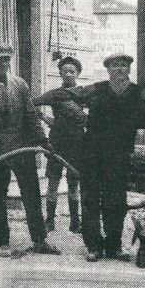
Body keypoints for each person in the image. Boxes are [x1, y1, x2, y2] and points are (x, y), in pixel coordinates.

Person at [63, 53, 145, 262]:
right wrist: (79, 116)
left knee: (115, 200)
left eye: (123, 66)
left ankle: (114, 245)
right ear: (108, 70)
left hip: (119, 155)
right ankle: (93, 246)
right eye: (115, 66)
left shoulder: (136, 92)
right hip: (92, 154)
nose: (119, 69)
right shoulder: (97, 89)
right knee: (90, 200)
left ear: (128, 70)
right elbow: (66, 95)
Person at [0, 44, 60, 257]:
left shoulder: (20, 85)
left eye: (6, 60)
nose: (3, 63)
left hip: (22, 148)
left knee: (32, 195)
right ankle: (2, 244)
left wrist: (42, 140)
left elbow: (30, 115)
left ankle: (39, 241)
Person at [33, 56, 86, 233]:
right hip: (56, 143)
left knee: (73, 182)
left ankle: (75, 222)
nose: (69, 74)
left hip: (78, 143)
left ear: (78, 73)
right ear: (60, 74)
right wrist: (45, 118)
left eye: (72, 71)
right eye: (65, 71)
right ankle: (49, 221)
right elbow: (31, 104)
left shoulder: (84, 93)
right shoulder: (54, 94)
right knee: (53, 181)